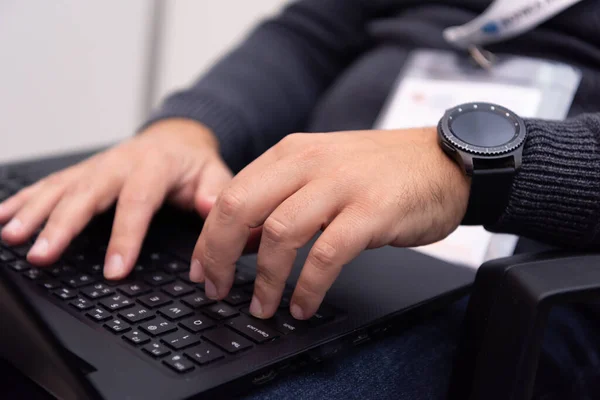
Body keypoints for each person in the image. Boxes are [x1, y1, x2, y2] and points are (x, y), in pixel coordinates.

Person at [1, 0, 600, 398]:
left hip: (528, 278)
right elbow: (310, 34)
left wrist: (474, 170)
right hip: (302, 227)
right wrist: (188, 128)